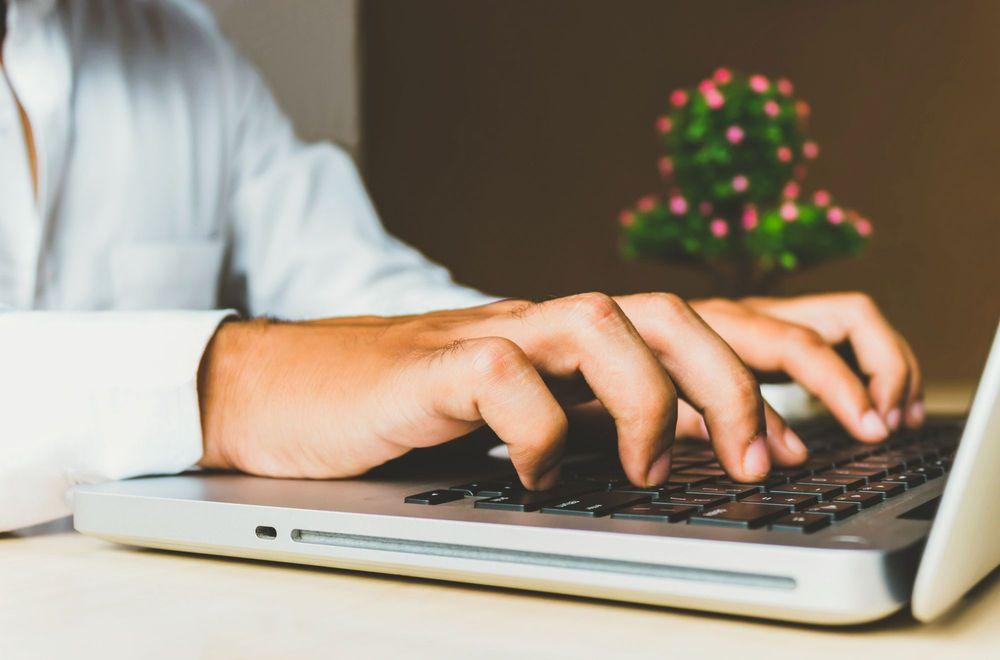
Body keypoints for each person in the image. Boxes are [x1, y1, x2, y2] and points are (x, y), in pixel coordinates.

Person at [0, 0, 923, 532]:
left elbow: (366, 303)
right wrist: (227, 382)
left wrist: (581, 347)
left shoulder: (185, 49)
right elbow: (292, 366)